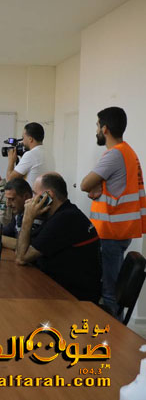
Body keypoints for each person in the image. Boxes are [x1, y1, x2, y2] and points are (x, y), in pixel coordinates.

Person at [80, 106, 146, 317]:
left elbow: (84, 184)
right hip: (120, 230)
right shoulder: (128, 152)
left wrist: (94, 185)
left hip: (111, 232)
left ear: (105, 128)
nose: (96, 130)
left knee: (110, 294)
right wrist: (98, 187)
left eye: (97, 126)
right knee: (112, 290)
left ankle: (112, 333)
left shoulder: (114, 155)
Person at [16, 173, 101, 303]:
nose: (31, 200)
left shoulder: (65, 218)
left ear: (48, 195)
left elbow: (22, 257)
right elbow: (25, 246)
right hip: (59, 288)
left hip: (73, 299)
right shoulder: (63, 212)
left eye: (35, 194)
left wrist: (28, 218)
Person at [6, 122, 55, 188]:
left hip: (32, 194)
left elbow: (9, 181)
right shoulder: (49, 154)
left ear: (30, 139)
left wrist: (11, 161)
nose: (22, 142)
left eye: (23, 138)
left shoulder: (30, 155)